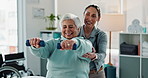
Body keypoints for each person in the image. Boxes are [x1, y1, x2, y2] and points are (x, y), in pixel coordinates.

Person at [29, 13, 93, 78]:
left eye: (71, 27)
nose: (67, 30)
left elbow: (84, 47)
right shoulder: (53, 43)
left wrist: (73, 42)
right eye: (64, 27)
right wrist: (36, 46)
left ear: (78, 29)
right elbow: (42, 52)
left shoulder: (85, 43)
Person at [78, 4, 107, 78]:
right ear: (83, 15)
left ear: (98, 18)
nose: (89, 18)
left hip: (96, 74)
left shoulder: (101, 35)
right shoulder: (76, 32)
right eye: (87, 14)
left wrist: (95, 56)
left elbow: (103, 54)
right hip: (79, 73)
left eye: (93, 16)